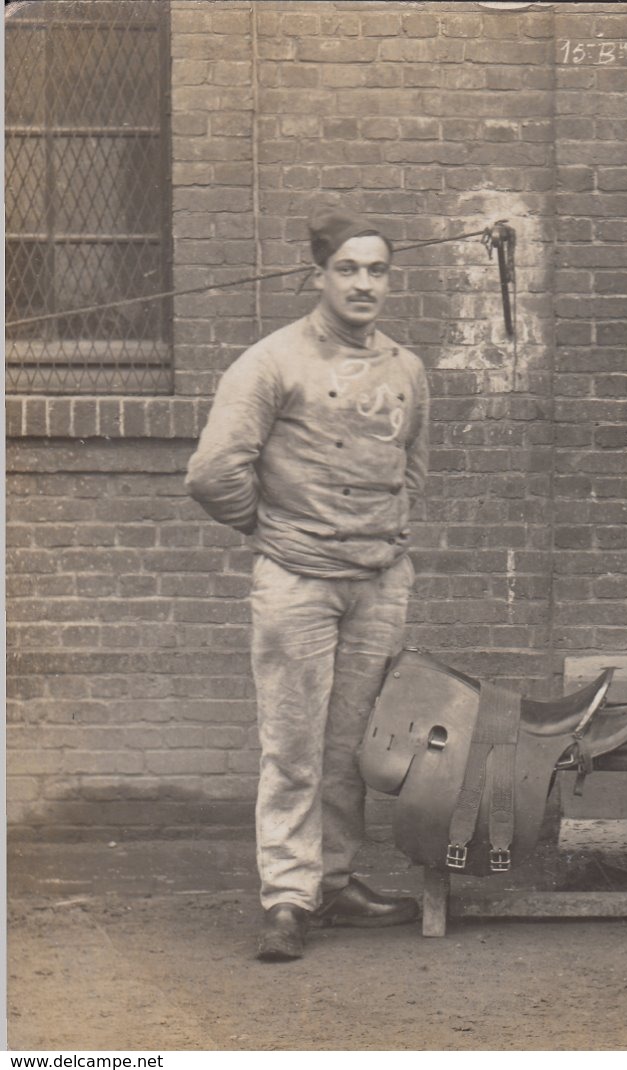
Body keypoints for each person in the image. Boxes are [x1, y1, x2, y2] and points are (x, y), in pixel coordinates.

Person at [186, 207, 431, 961]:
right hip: (297, 583)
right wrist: (269, 532)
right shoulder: (271, 362)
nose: (364, 284)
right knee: (293, 743)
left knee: (350, 743)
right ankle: (288, 897)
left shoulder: (405, 367)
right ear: (316, 276)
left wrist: (387, 541)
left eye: (377, 270)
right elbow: (212, 472)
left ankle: (335, 880)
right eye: (348, 269)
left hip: (377, 582)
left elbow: (411, 466)